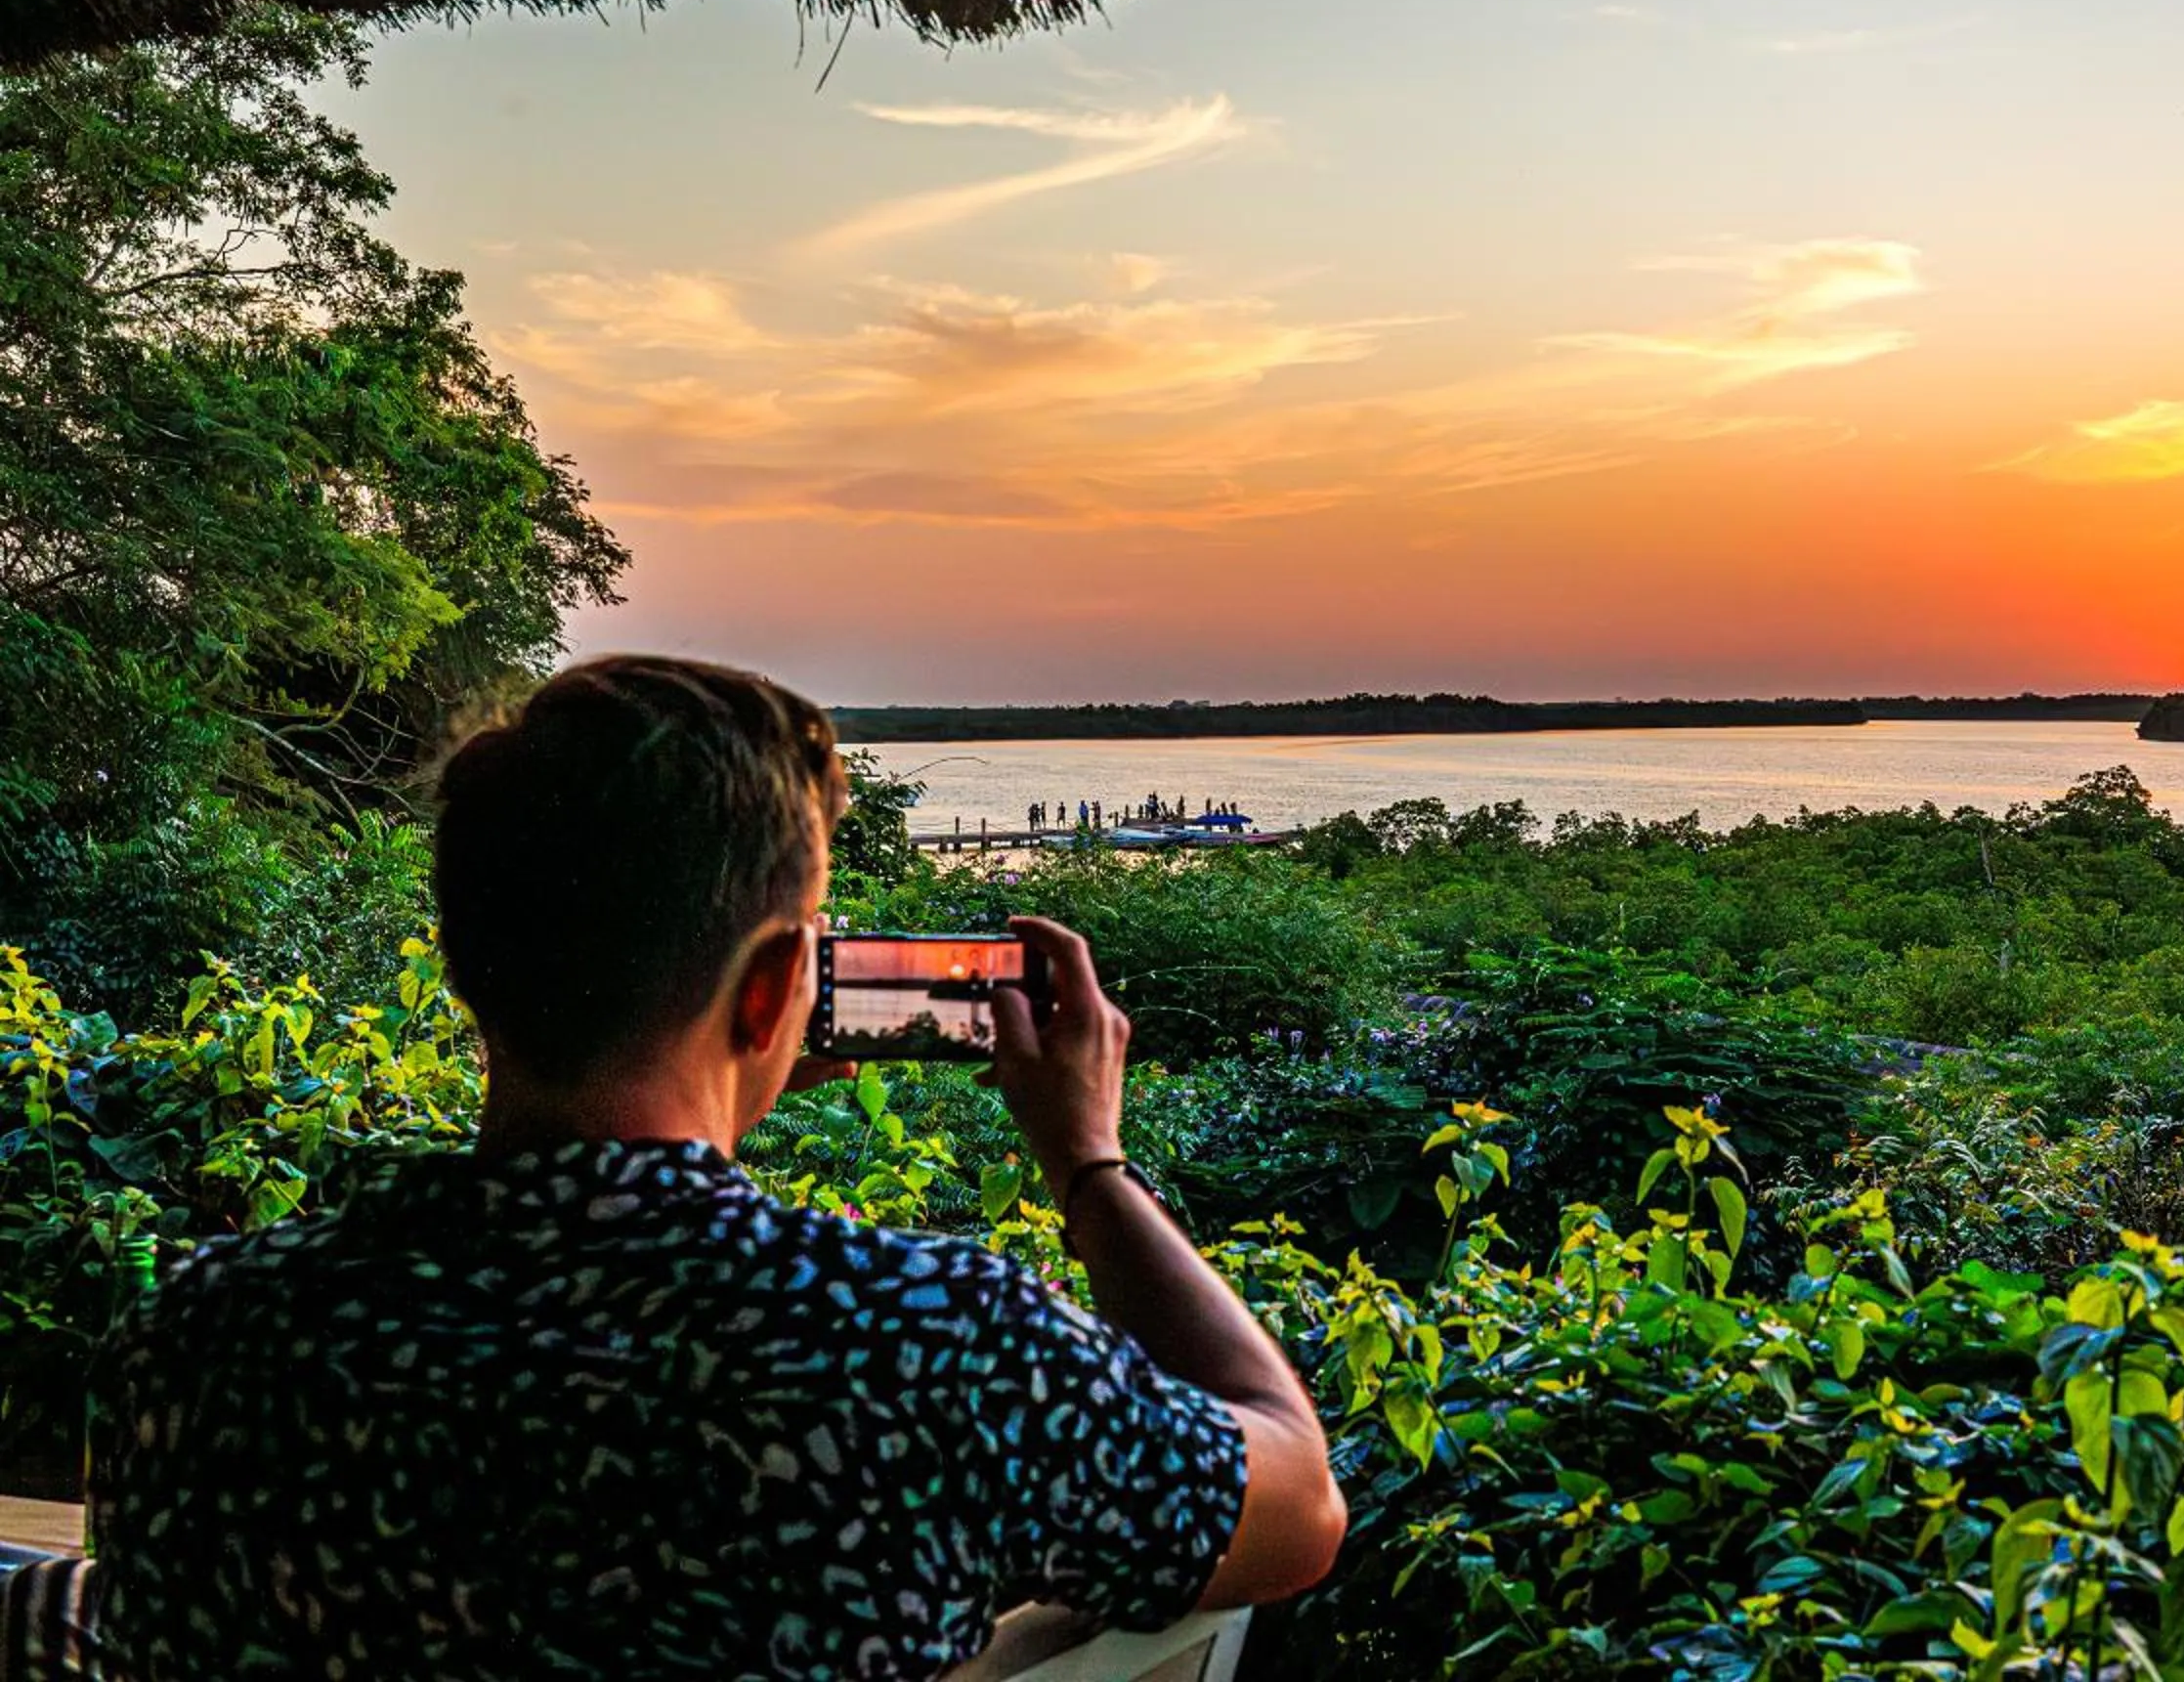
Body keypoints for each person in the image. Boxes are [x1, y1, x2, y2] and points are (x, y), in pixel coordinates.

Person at [87, 656, 1344, 1680]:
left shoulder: (196, 1345)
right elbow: (1296, 1507)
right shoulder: (918, 1343)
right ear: (772, 994)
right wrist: (1089, 1162)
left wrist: (728, 1067)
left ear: (472, 965)